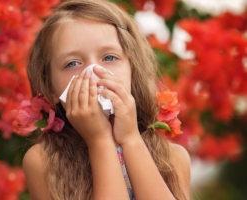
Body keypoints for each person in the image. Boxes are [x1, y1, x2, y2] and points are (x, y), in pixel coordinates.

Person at [22, 0, 191, 199]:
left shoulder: (173, 158)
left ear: (132, 70)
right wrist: (99, 140)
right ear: (50, 87)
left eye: (109, 58)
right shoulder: (43, 161)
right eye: (73, 63)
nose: (94, 72)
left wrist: (130, 139)